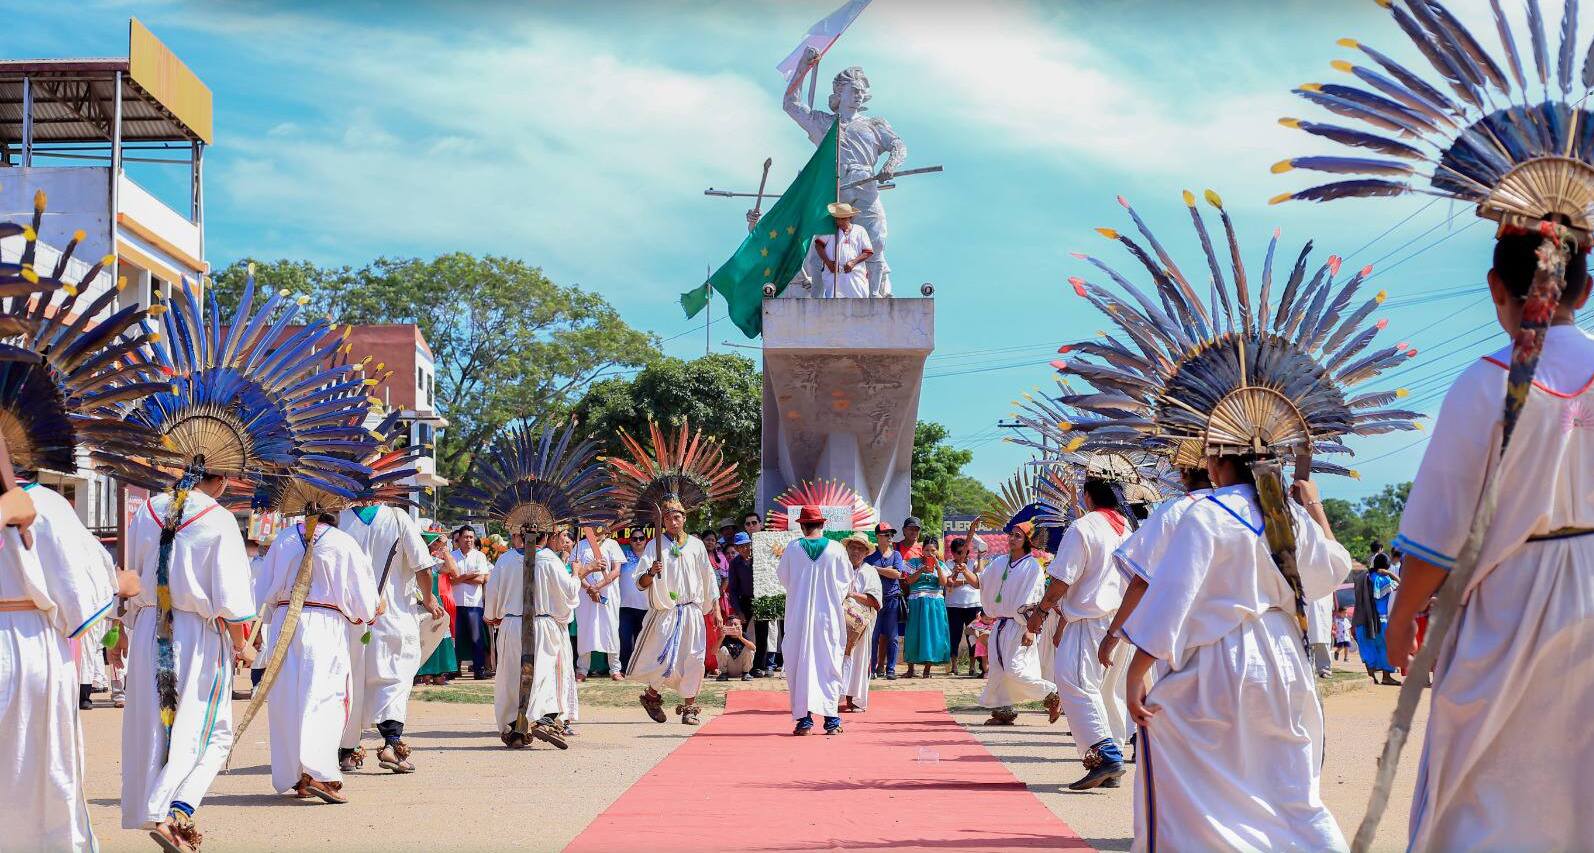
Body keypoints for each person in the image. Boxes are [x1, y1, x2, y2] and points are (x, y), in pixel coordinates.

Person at [1384, 226, 1594, 850]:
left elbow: (1438, 532)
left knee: (1489, 786)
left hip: (1512, 603)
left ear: (1496, 288)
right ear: (1585, 290)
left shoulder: (1487, 383)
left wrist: (1400, 622)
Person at [1123, 457, 1350, 851]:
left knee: (1197, 779)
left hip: (1221, 657)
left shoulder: (1205, 513)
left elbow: (1174, 595)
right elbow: (1332, 569)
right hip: (1285, 660)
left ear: (1217, 463)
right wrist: (1314, 505)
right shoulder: (1289, 513)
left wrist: (1136, 671)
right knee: (1289, 784)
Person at [121, 474, 257, 850]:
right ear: (224, 478)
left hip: (150, 626)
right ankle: (172, 810)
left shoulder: (147, 510)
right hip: (196, 632)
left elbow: (130, 577)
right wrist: (239, 644)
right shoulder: (218, 518)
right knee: (210, 731)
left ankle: (164, 807)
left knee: (154, 726)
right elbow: (231, 599)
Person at [2, 477, 133, 852]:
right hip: (29, 644)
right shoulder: (46, 503)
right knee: (43, 772)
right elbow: (83, 599)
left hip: (29, 642)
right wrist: (117, 585)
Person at [257, 513, 377, 804]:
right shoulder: (342, 541)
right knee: (326, 697)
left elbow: (262, 591)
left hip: (286, 622)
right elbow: (364, 601)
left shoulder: (284, 539)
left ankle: (297, 775)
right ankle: (321, 774)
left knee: (288, 699)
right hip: (324, 623)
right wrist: (370, 610)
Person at [1028, 476, 1135, 790]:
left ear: (1088, 496)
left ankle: (1106, 754)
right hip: (1120, 622)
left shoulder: (1084, 527)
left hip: (1091, 619)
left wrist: (1040, 612)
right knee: (1107, 691)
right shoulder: (1126, 528)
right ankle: (1111, 758)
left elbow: (1062, 579)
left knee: (1074, 682)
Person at [338, 502, 445, 775]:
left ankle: (347, 751)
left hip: (351, 619)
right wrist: (430, 599)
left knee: (353, 682)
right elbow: (423, 566)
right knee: (395, 680)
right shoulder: (398, 518)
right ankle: (391, 744)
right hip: (394, 616)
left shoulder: (339, 519)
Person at [484, 527, 579, 748]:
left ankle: (513, 728)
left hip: (511, 624)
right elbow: (568, 593)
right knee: (546, 673)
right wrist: (576, 573)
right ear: (545, 537)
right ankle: (543, 718)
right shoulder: (549, 559)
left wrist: (493, 616)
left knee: (511, 676)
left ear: (518, 536)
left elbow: (492, 594)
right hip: (543, 623)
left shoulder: (505, 560)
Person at [630, 501, 722, 726]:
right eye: (669, 518)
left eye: (677, 517)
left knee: (694, 659)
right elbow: (640, 582)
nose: (673, 522)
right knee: (664, 659)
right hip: (667, 611)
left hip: (692, 611)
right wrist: (651, 571)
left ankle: (689, 708)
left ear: (684, 518)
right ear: (663, 521)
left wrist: (716, 609)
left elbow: (708, 578)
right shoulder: (654, 546)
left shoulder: (697, 545)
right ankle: (651, 696)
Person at [775, 506, 853, 735]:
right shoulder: (837, 549)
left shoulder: (792, 548)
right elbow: (846, 582)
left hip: (799, 617)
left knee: (800, 665)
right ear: (822, 524)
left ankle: (805, 721)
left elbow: (784, 578)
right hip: (828, 617)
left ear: (802, 525)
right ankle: (831, 721)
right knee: (828, 664)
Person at [977, 524, 1062, 726]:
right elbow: (980, 583)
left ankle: (1051, 692)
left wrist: (1030, 631)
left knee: (1015, 669)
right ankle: (1004, 710)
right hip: (1001, 624)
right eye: (1011, 535)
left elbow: (1034, 600)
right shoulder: (999, 563)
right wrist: (963, 571)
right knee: (998, 668)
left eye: (1018, 536)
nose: (1012, 539)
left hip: (1021, 625)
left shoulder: (1032, 567)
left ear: (1027, 540)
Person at [573, 525, 627, 681]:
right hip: (585, 594)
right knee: (585, 628)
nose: (599, 528)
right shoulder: (580, 545)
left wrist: (598, 586)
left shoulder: (612, 544)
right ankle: (582, 669)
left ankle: (615, 669)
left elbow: (616, 570)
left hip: (608, 593)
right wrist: (589, 588)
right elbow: (575, 570)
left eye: (602, 526)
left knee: (610, 627)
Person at [839, 534, 882, 712]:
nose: (855, 551)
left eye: (860, 548)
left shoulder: (869, 571)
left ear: (865, 552)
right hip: (840, 622)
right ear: (847, 549)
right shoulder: (839, 569)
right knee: (838, 658)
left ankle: (854, 699)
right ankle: (833, 697)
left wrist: (852, 595)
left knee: (859, 660)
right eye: (853, 547)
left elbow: (875, 601)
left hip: (861, 624)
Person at [902, 537, 950, 678]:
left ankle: (927, 669)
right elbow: (908, 581)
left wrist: (937, 566)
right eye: (927, 550)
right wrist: (921, 570)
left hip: (935, 603)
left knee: (932, 634)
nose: (929, 553)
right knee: (913, 634)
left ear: (937, 551)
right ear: (922, 551)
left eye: (933, 550)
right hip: (916, 602)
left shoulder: (941, 564)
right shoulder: (914, 563)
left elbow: (943, 582)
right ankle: (911, 668)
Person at [450, 527, 493, 679]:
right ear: (459, 539)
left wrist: (460, 578)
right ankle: (454, 668)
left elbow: (481, 579)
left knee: (476, 638)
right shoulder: (452, 556)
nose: (468, 540)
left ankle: (479, 669)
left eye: (471, 537)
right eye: (465, 537)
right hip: (456, 602)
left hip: (474, 603)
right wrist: (468, 576)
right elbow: (450, 579)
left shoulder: (479, 556)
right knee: (457, 637)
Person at [807, 202, 875, 298]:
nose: (840, 222)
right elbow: (818, 245)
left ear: (850, 218)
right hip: (834, 272)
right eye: (838, 219)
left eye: (843, 219)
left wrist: (853, 262)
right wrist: (829, 263)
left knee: (858, 300)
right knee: (834, 299)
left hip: (855, 273)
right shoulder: (830, 230)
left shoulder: (860, 230)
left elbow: (868, 251)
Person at [1353, 553, 1401, 685]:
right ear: (1386, 566)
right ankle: (1386, 677)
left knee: (1367, 647)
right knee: (1385, 648)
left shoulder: (1362, 577)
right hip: (1381, 621)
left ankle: (1371, 677)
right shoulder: (1384, 579)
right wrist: (1389, 574)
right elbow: (1401, 584)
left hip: (1363, 621)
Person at [867, 522, 907, 679]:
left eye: (891, 534)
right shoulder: (869, 558)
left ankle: (891, 669)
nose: (890, 537)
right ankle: (872, 669)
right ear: (878, 536)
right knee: (873, 636)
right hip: (875, 601)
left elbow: (897, 574)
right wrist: (888, 571)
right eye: (887, 535)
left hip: (892, 600)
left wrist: (876, 570)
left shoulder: (896, 555)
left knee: (893, 636)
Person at [943, 537, 982, 676]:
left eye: (965, 552)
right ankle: (954, 666)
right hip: (953, 605)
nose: (962, 555)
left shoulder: (972, 562)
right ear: (953, 553)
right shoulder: (948, 564)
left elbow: (978, 577)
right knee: (955, 636)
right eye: (959, 552)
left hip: (973, 604)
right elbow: (949, 582)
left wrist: (980, 555)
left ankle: (972, 667)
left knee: (972, 636)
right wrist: (965, 579)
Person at [615, 538, 648, 678]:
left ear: (646, 541)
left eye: (641, 538)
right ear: (630, 542)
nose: (638, 541)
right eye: (635, 539)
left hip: (646, 606)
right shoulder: (624, 554)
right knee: (625, 639)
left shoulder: (650, 556)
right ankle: (625, 668)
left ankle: (642, 669)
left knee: (644, 640)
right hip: (625, 606)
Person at [715, 615, 757, 681]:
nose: (733, 627)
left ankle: (746, 673)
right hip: (728, 667)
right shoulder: (723, 637)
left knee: (749, 649)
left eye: (735, 624)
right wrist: (721, 637)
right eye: (730, 625)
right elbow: (713, 652)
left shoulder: (743, 635)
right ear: (726, 626)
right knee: (722, 649)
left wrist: (741, 638)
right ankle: (723, 674)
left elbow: (753, 648)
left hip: (741, 667)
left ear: (740, 626)